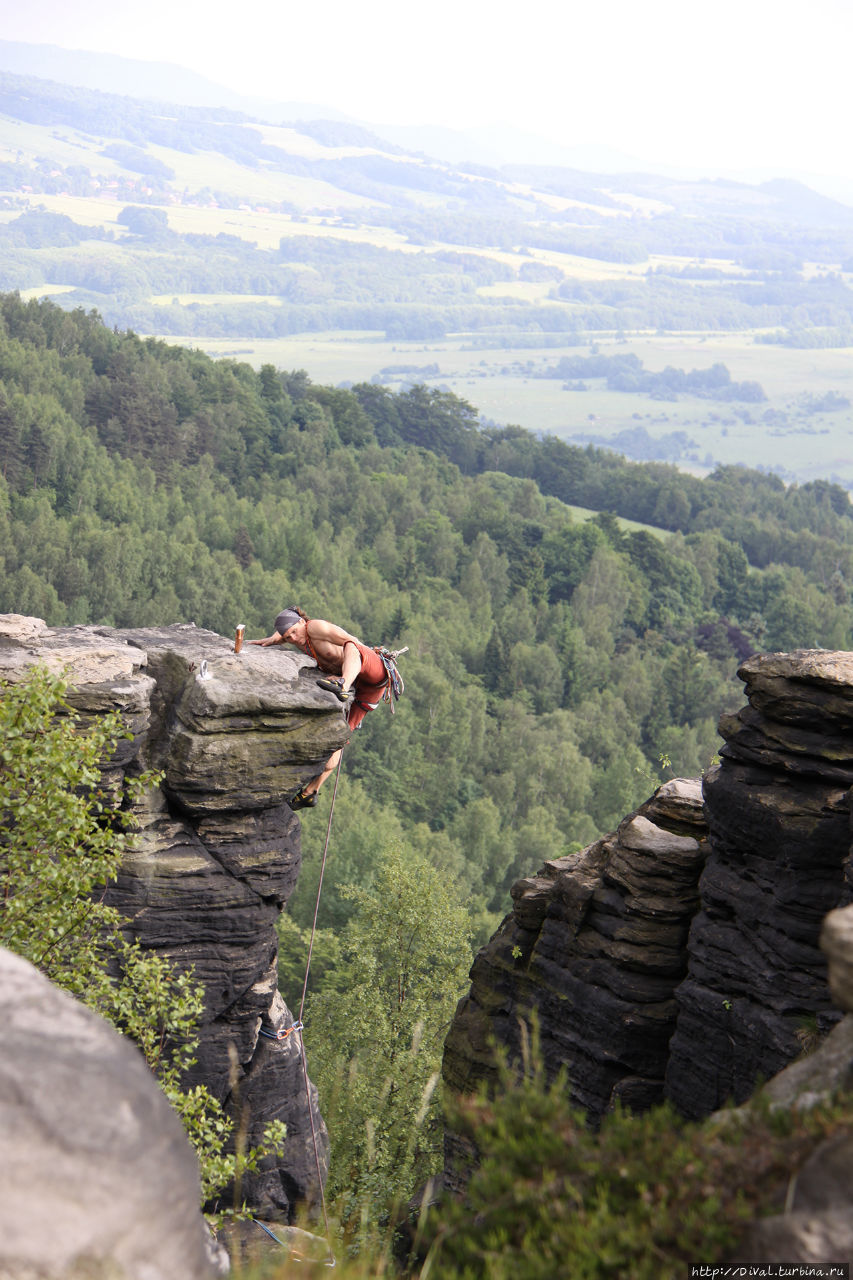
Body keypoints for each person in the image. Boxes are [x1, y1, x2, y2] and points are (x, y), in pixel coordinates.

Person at [250, 606, 392, 810]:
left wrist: (345, 678)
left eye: (294, 632)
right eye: (288, 637)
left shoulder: (314, 627)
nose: (293, 638)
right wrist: (272, 639)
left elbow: (353, 642)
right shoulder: (295, 635)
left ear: (301, 622)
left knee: (351, 645)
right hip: (366, 690)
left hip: (372, 670)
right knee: (340, 737)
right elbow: (284, 633)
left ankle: (342, 685)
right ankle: (310, 792)